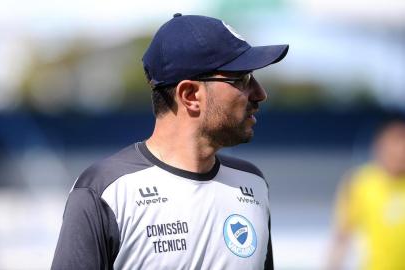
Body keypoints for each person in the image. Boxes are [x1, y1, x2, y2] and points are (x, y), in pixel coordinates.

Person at [51, 13, 288, 270]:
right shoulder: (104, 191)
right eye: (242, 79)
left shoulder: (253, 185)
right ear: (190, 95)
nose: (260, 94)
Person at [327, 118, 405, 270]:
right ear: (379, 145)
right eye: (396, 140)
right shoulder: (360, 183)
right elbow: (342, 237)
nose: (401, 149)